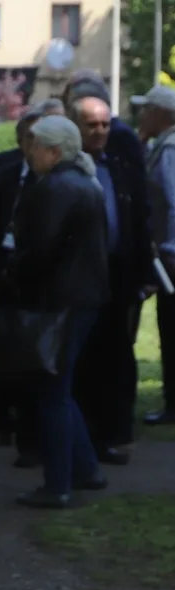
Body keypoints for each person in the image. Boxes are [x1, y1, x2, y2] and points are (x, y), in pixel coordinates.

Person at [11, 115, 109, 508]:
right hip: (83, 297)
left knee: (52, 390)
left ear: (53, 151)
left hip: (59, 299)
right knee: (60, 387)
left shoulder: (53, 188)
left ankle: (58, 484)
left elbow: (42, 249)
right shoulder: (85, 182)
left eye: (35, 146)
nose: (29, 152)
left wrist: (14, 271)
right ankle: (85, 468)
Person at [0, 99, 65, 466]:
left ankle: (32, 438)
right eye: (29, 137)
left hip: (38, 282)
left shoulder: (57, 179)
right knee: (0, 350)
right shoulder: (3, 172)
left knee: (35, 358)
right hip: (4, 275)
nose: (33, 145)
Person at [68, 93, 151, 466]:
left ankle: (109, 436)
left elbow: (139, 219)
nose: (100, 132)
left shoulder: (120, 165)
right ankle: (81, 442)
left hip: (117, 276)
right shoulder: (65, 169)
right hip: (76, 280)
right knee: (81, 360)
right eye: (91, 125)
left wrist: (144, 273)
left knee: (114, 357)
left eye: (105, 124)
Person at [134, 85, 175, 426]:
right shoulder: (161, 145)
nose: (141, 115)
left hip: (172, 260)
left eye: (147, 109)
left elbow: (174, 203)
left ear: (162, 114)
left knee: (172, 331)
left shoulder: (170, 150)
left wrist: (169, 251)